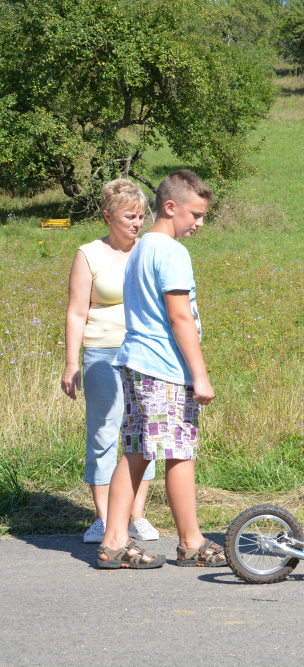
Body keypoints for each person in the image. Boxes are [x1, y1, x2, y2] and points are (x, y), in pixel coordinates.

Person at [96, 170, 222, 569]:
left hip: (137, 362)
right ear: (170, 207)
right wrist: (200, 374)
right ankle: (191, 542)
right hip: (164, 367)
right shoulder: (171, 251)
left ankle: (114, 540)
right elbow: (180, 316)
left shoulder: (141, 248)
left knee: (136, 451)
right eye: (195, 214)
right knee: (179, 453)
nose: (199, 223)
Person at [62, 179, 159, 544]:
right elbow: (76, 312)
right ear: (107, 216)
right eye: (129, 216)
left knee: (145, 432)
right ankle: (103, 519)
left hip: (145, 354)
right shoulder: (89, 254)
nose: (137, 223)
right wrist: (71, 363)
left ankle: (136, 516)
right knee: (104, 432)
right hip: (102, 354)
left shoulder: (149, 251)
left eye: (141, 216)